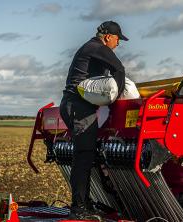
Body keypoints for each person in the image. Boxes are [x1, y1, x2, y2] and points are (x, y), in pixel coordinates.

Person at [59, 21, 128, 218]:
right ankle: (79, 207)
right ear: (108, 37)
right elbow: (119, 70)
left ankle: (85, 203)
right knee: (83, 156)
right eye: (117, 39)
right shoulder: (97, 47)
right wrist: (117, 97)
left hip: (73, 105)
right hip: (79, 108)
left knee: (86, 156)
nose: (118, 44)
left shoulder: (89, 47)